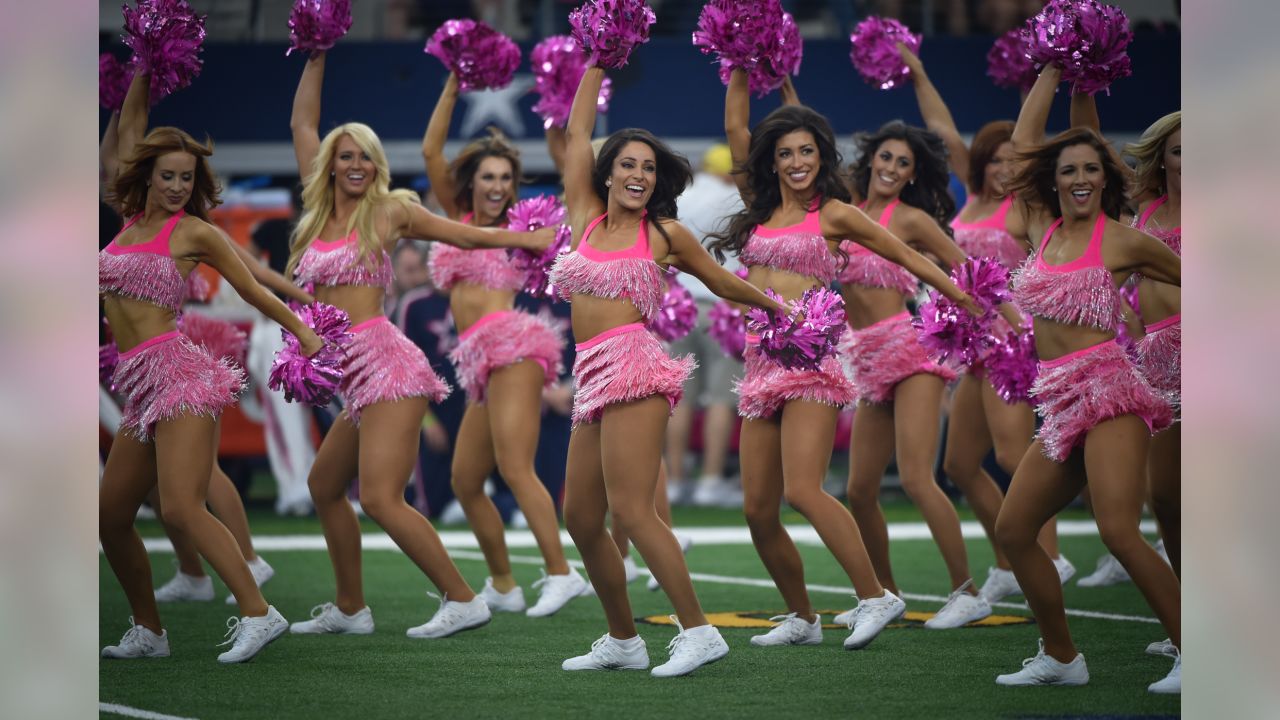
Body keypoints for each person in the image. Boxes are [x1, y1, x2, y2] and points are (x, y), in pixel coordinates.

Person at [284, 50, 551, 640]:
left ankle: (462, 598)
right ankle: (351, 608)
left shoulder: (388, 212)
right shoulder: (317, 209)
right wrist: (319, 53)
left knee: (380, 497)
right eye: (346, 156)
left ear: (377, 166)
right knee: (325, 486)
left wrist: (526, 238)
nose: (356, 165)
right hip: (350, 374)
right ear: (330, 164)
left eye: (366, 158)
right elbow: (304, 125)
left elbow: (464, 233)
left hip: (384, 366)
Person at [713, 68, 981, 648]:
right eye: (785, 153)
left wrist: (964, 296)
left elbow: (908, 258)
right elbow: (736, 123)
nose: (796, 161)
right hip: (761, 367)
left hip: (811, 364)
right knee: (757, 510)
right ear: (773, 161)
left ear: (822, 156)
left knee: (803, 491)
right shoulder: (758, 206)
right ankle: (802, 618)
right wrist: (738, 62)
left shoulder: (834, 212)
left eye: (807, 151)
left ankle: (875, 595)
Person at [552, 62, 784, 678]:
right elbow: (576, 137)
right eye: (628, 164)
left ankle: (699, 631)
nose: (638, 175)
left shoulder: (666, 233)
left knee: (631, 512)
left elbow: (723, 282)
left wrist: (781, 312)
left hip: (633, 365)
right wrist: (598, 60)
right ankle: (624, 640)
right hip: (590, 373)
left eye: (649, 168)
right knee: (579, 516)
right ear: (606, 174)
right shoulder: (585, 218)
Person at [99, 70, 325, 663]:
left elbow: (251, 288)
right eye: (167, 175)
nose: (177, 186)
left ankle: (258, 611)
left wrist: (302, 329)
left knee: (179, 506)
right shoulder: (127, 224)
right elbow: (128, 127)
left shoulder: (193, 230)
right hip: (139, 386)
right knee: (112, 516)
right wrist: (146, 65)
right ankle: (148, 629)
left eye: (187, 178)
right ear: (146, 176)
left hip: (179, 376)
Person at [992, 65, 1181, 693]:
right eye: (1069, 169)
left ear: (1106, 179)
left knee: (1119, 530)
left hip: (1111, 391)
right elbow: (1022, 147)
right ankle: (1062, 657)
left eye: (1091, 169)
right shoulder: (1041, 230)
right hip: (1059, 398)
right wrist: (1051, 67)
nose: (1079, 179)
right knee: (1016, 531)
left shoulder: (1124, 240)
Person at [897, 45, 1072, 604]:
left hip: (1013, 342)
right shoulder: (968, 201)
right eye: (991, 160)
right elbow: (943, 128)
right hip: (972, 346)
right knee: (958, 463)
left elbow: (1031, 137)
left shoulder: (1023, 208)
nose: (1000, 168)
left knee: (1011, 455)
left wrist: (1044, 77)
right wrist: (920, 71)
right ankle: (1006, 562)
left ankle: (1052, 557)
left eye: (1007, 160)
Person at [420, 71, 586, 618]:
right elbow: (430, 150)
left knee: (516, 468)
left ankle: (561, 573)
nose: (496, 186)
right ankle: (503, 583)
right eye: (488, 176)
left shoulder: (527, 229)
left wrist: (565, 118)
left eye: (506, 179)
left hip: (513, 347)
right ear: (472, 182)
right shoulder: (457, 219)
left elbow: (575, 183)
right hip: (477, 361)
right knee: (466, 480)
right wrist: (453, 79)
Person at [666, 143, 746, 509]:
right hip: (722, 307)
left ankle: (674, 480)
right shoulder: (738, 201)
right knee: (719, 399)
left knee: (680, 398)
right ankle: (710, 481)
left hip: (681, 307)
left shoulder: (682, 198)